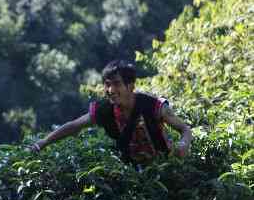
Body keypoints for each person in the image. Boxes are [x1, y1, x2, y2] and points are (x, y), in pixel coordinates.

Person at [30, 60, 192, 165]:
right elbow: (73, 126)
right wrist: (42, 143)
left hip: (165, 168)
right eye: (107, 85)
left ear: (130, 86)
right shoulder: (105, 110)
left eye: (116, 84)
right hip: (132, 173)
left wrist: (183, 144)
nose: (110, 90)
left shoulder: (152, 105)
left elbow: (184, 129)